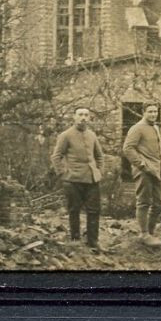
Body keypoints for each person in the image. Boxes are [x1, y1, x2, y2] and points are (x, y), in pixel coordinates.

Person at [51, 107, 110, 250]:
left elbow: (99, 156)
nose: (83, 117)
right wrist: (64, 173)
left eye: (86, 115)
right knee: (74, 210)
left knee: (94, 210)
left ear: (89, 118)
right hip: (73, 180)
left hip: (91, 179)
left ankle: (93, 241)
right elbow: (56, 156)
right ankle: (75, 239)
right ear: (74, 117)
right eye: (80, 115)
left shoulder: (92, 135)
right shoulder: (66, 135)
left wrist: (99, 172)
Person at [122, 104, 161, 237]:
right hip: (144, 171)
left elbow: (158, 152)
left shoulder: (156, 127)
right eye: (150, 112)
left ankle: (151, 232)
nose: (153, 114)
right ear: (143, 112)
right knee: (144, 201)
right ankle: (144, 233)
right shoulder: (137, 128)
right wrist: (141, 164)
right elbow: (128, 148)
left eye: (155, 112)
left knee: (160, 203)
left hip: (156, 170)